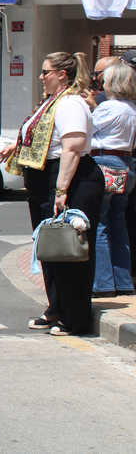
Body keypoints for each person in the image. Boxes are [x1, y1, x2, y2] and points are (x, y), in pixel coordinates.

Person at [0, 51, 103, 336]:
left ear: (62, 75)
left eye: (45, 72)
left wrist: (62, 189)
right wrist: (15, 147)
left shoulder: (70, 103)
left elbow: (72, 147)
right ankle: (56, 308)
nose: (41, 77)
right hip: (47, 179)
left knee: (70, 252)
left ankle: (74, 317)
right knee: (51, 249)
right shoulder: (51, 102)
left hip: (71, 178)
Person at [89, 63, 136, 297]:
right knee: (118, 223)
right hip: (125, 164)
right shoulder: (132, 109)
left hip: (106, 163)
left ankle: (104, 283)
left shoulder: (109, 107)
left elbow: (86, 131)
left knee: (100, 223)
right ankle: (123, 281)